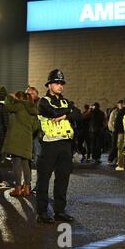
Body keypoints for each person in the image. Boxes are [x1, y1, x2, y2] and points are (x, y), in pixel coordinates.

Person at [36, 69, 82, 224]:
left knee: (63, 179)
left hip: (65, 145)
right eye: (56, 83)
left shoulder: (65, 101)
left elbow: (79, 115)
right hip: (50, 145)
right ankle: (41, 212)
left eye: (61, 83)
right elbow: (53, 112)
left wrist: (65, 114)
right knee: (44, 179)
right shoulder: (43, 101)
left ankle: (59, 211)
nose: (60, 85)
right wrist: (68, 112)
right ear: (49, 85)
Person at [2, 92, 39, 197]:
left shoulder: (18, 106)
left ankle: (18, 188)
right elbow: (36, 126)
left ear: (18, 98)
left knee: (16, 163)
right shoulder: (32, 109)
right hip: (27, 139)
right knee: (25, 164)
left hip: (16, 139)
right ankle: (26, 188)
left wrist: (10, 96)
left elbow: (7, 106)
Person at [114, 98, 125, 171]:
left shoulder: (121, 111)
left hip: (122, 132)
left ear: (124, 103)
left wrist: (117, 131)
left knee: (121, 149)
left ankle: (121, 165)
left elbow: (117, 123)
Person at [108, 100, 124, 166]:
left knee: (119, 146)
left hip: (121, 131)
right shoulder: (115, 112)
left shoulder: (123, 112)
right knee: (114, 145)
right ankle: (111, 159)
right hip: (116, 131)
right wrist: (113, 130)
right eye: (120, 104)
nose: (121, 106)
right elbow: (111, 122)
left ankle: (117, 159)